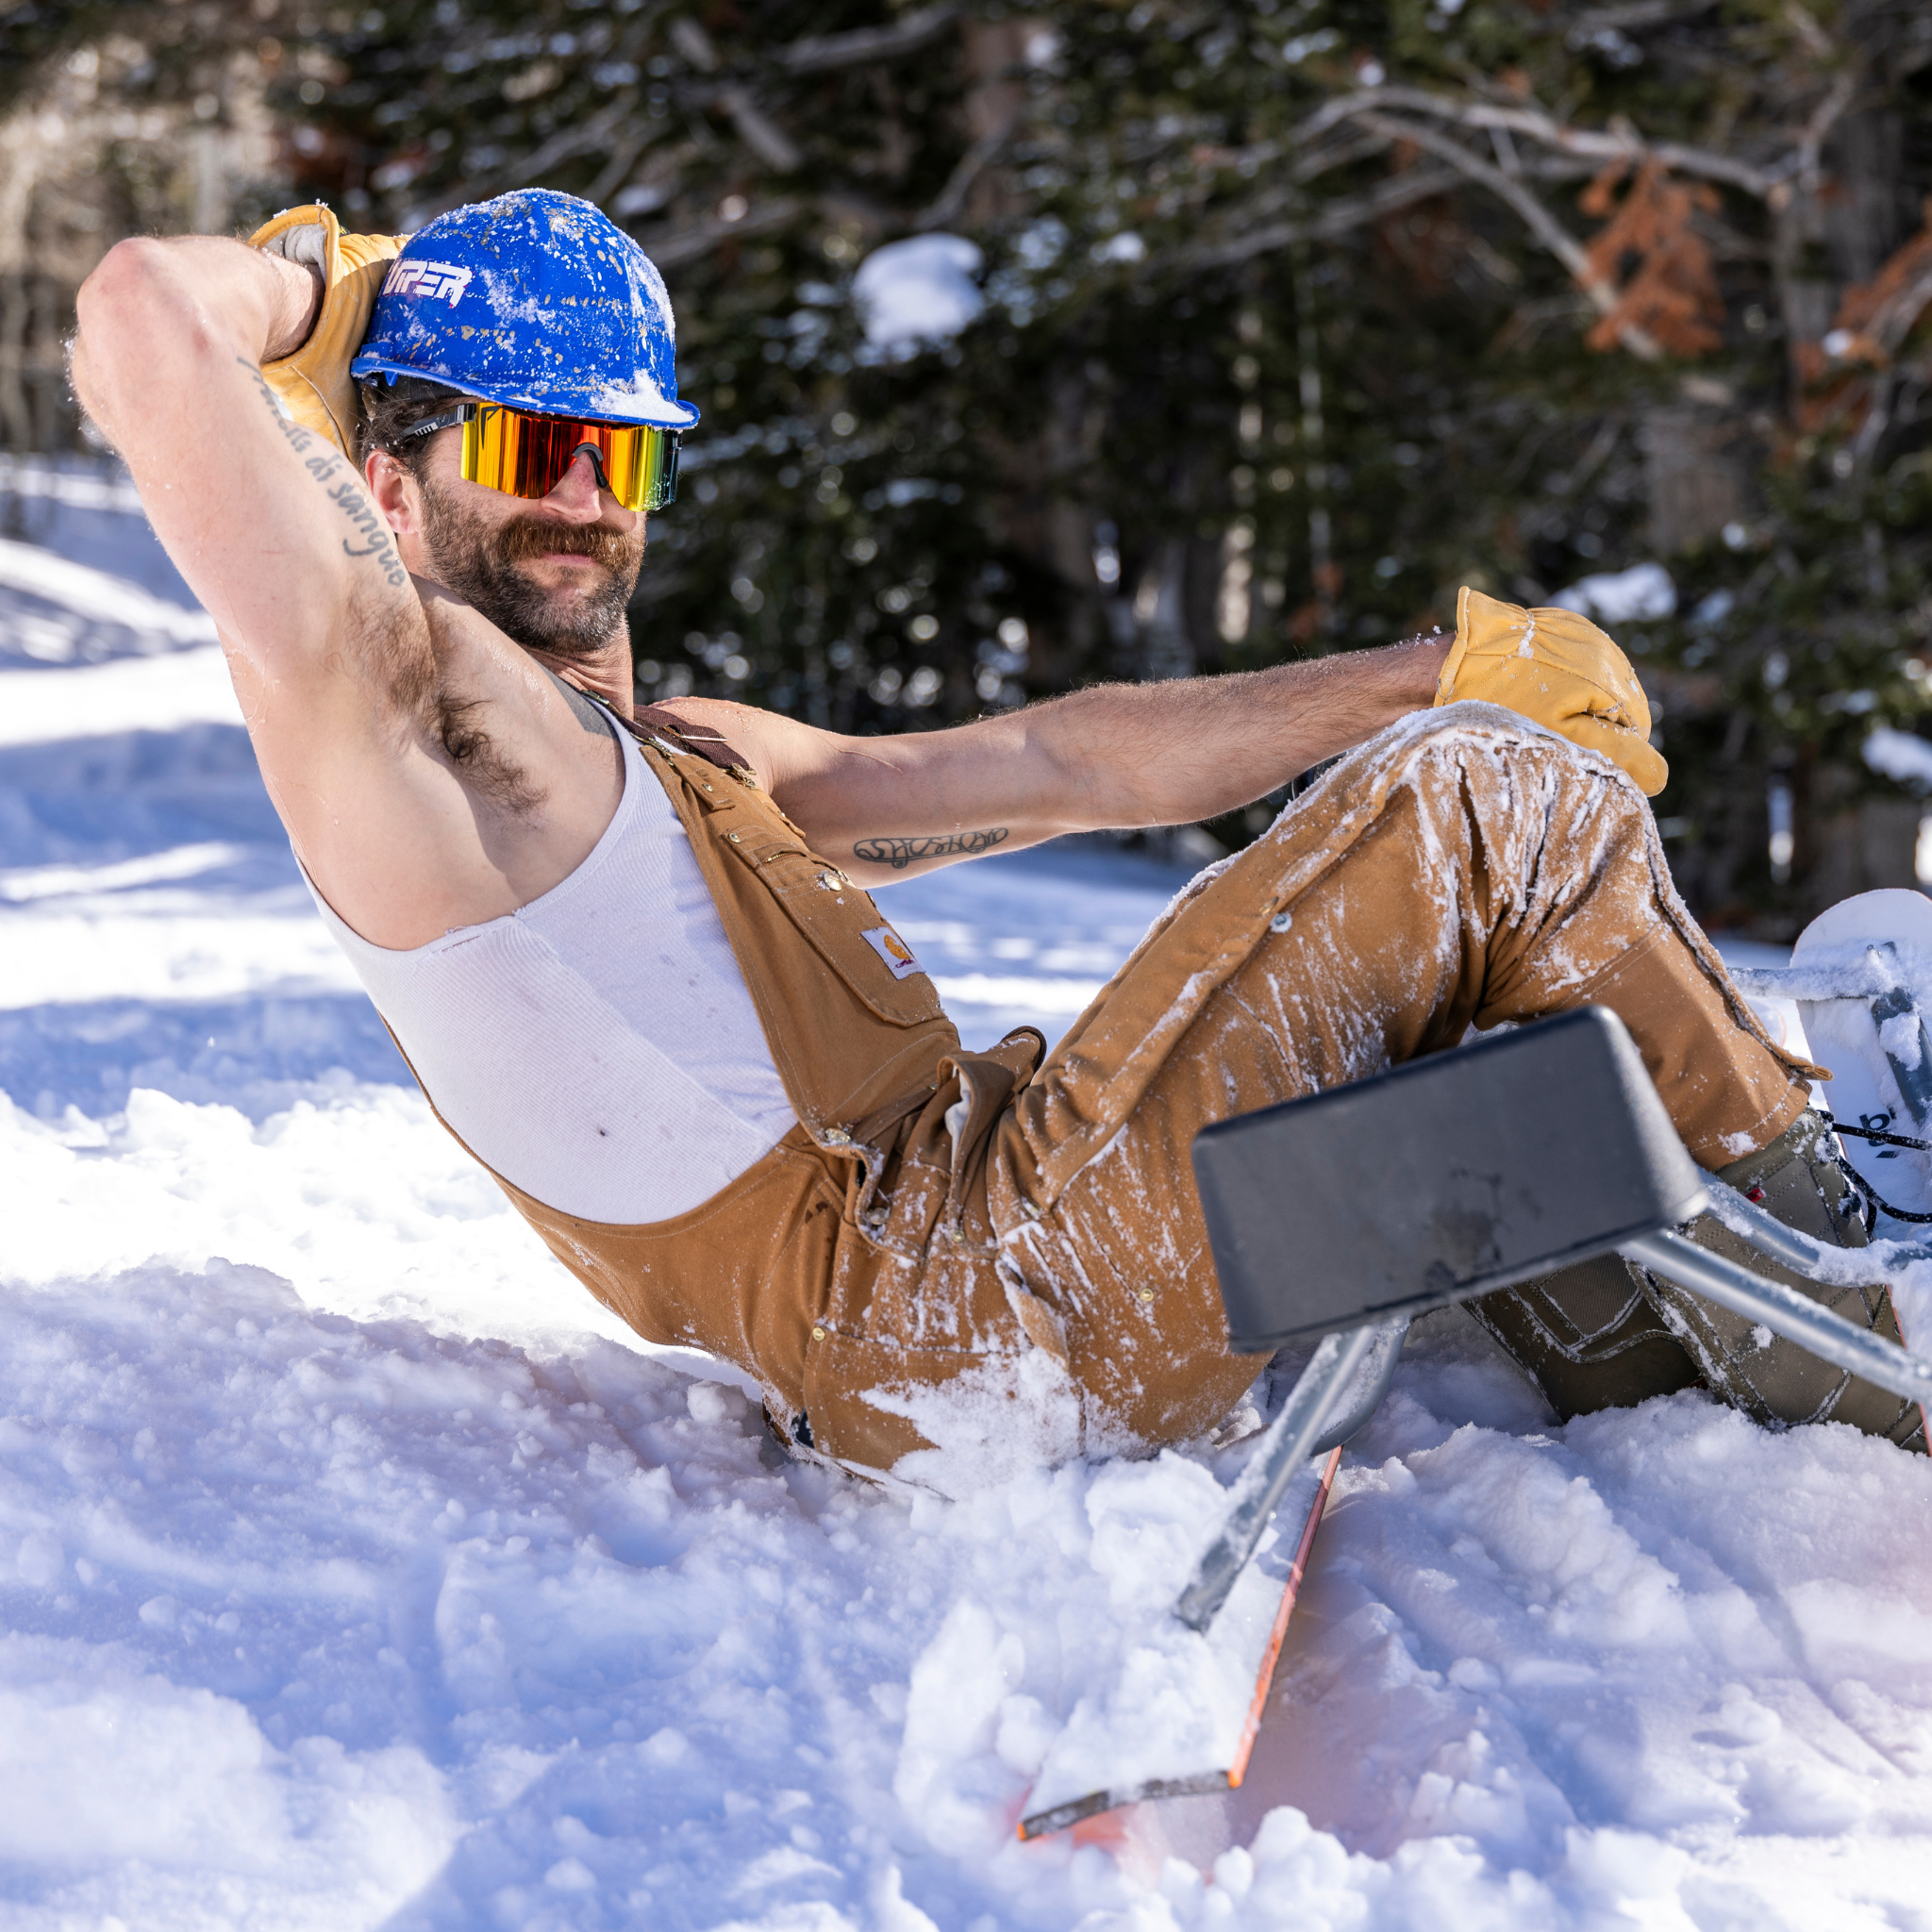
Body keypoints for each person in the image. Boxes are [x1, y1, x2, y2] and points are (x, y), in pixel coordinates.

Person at [71, 189, 1923, 1488]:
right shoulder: (420, 737)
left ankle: (1647, 1295)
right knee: (1484, 806)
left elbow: (1054, 760)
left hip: (1011, 1234)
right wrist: (324, 293)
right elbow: (140, 318)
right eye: (518, 442)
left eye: (614, 454)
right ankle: (1843, 1248)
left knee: (1462, 841)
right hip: (963, 1313)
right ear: (384, 476)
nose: (579, 498)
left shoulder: (677, 761)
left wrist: (1433, 667)